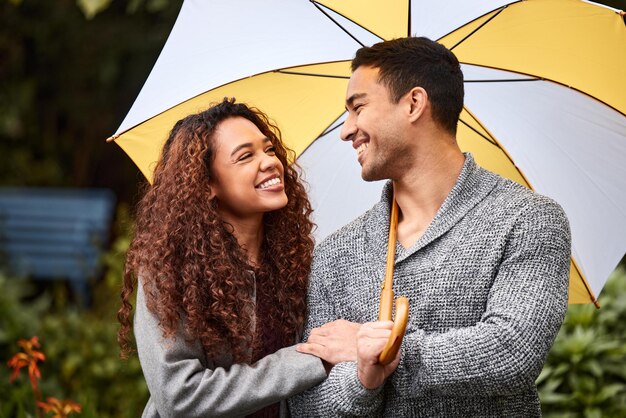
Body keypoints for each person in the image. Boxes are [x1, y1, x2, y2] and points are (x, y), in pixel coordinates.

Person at [288, 37, 571, 417]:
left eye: (358, 108)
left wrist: (385, 350)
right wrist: (364, 379)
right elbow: (307, 404)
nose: (346, 129)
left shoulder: (528, 219)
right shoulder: (335, 252)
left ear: (413, 103)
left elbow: (511, 350)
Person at [117, 98, 355, 417]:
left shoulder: (295, 262)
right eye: (245, 156)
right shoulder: (173, 273)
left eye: (269, 150)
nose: (270, 162)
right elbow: (179, 397)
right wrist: (311, 361)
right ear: (207, 185)